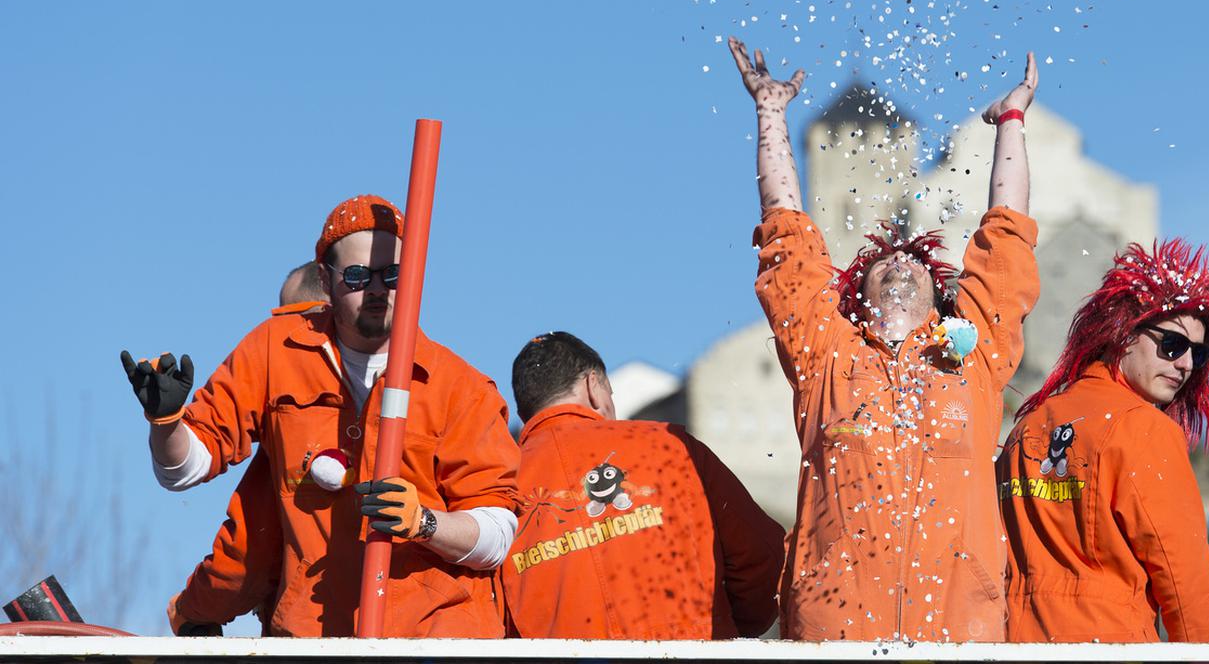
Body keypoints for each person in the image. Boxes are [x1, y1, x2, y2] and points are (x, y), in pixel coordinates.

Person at [730, 37, 1040, 641]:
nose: (902, 262)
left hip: (962, 635)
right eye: (883, 261)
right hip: (834, 633)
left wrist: (1010, 120)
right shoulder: (824, 353)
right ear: (857, 295)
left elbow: (1006, 240)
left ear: (941, 290)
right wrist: (770, 114)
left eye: (919, 261)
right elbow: (788, 238)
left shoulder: (975, 352)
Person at [123, 194, 520, 637]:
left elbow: (497, 534)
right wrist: (166, 423)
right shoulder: (275, 351)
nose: (376, 290)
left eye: (393, 275)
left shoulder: (459, 385)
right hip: (318, 638)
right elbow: (185, 469)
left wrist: (424, 522)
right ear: (327, 281)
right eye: (356, 276)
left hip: (435, 638)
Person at [998, 241, 1209, 642]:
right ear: (1122, 332)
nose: (1184, 364)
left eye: (1198, 355)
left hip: (1014, 644)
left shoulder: (1026, 427)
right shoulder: (1142, 428)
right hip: (1108, 644)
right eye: (1172, 345)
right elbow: (1186, 583)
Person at [501, 331, 784, 639]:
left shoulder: (498, 485)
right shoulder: (672, 446)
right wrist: (729, 633)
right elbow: (762, 557)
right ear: (593, 387)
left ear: (524, 414)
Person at [166, 264, 330, 636]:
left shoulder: (302, 437)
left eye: (292, 319)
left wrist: (191, 610)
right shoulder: (440, 387)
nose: (283, 336)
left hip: (327, 637)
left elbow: (249, 555)